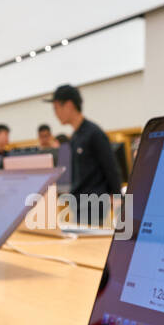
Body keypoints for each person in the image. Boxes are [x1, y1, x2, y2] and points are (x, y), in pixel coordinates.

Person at [47, 84, 122, 225]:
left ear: (69, 105)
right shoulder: (75, 137)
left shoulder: (93, 133)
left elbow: (111, 168)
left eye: (56, 108)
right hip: (79, 202)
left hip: (93, 203)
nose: (55, 114)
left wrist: (117, 198)